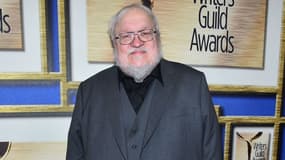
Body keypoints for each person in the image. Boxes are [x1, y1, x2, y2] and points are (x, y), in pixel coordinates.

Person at [66, 3, 222, 160]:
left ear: (157, 37)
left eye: (145, 33)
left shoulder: (193, 85)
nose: (137, 42)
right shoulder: (89, 91)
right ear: (114, 43)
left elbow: (212, 154)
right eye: (126, 36)